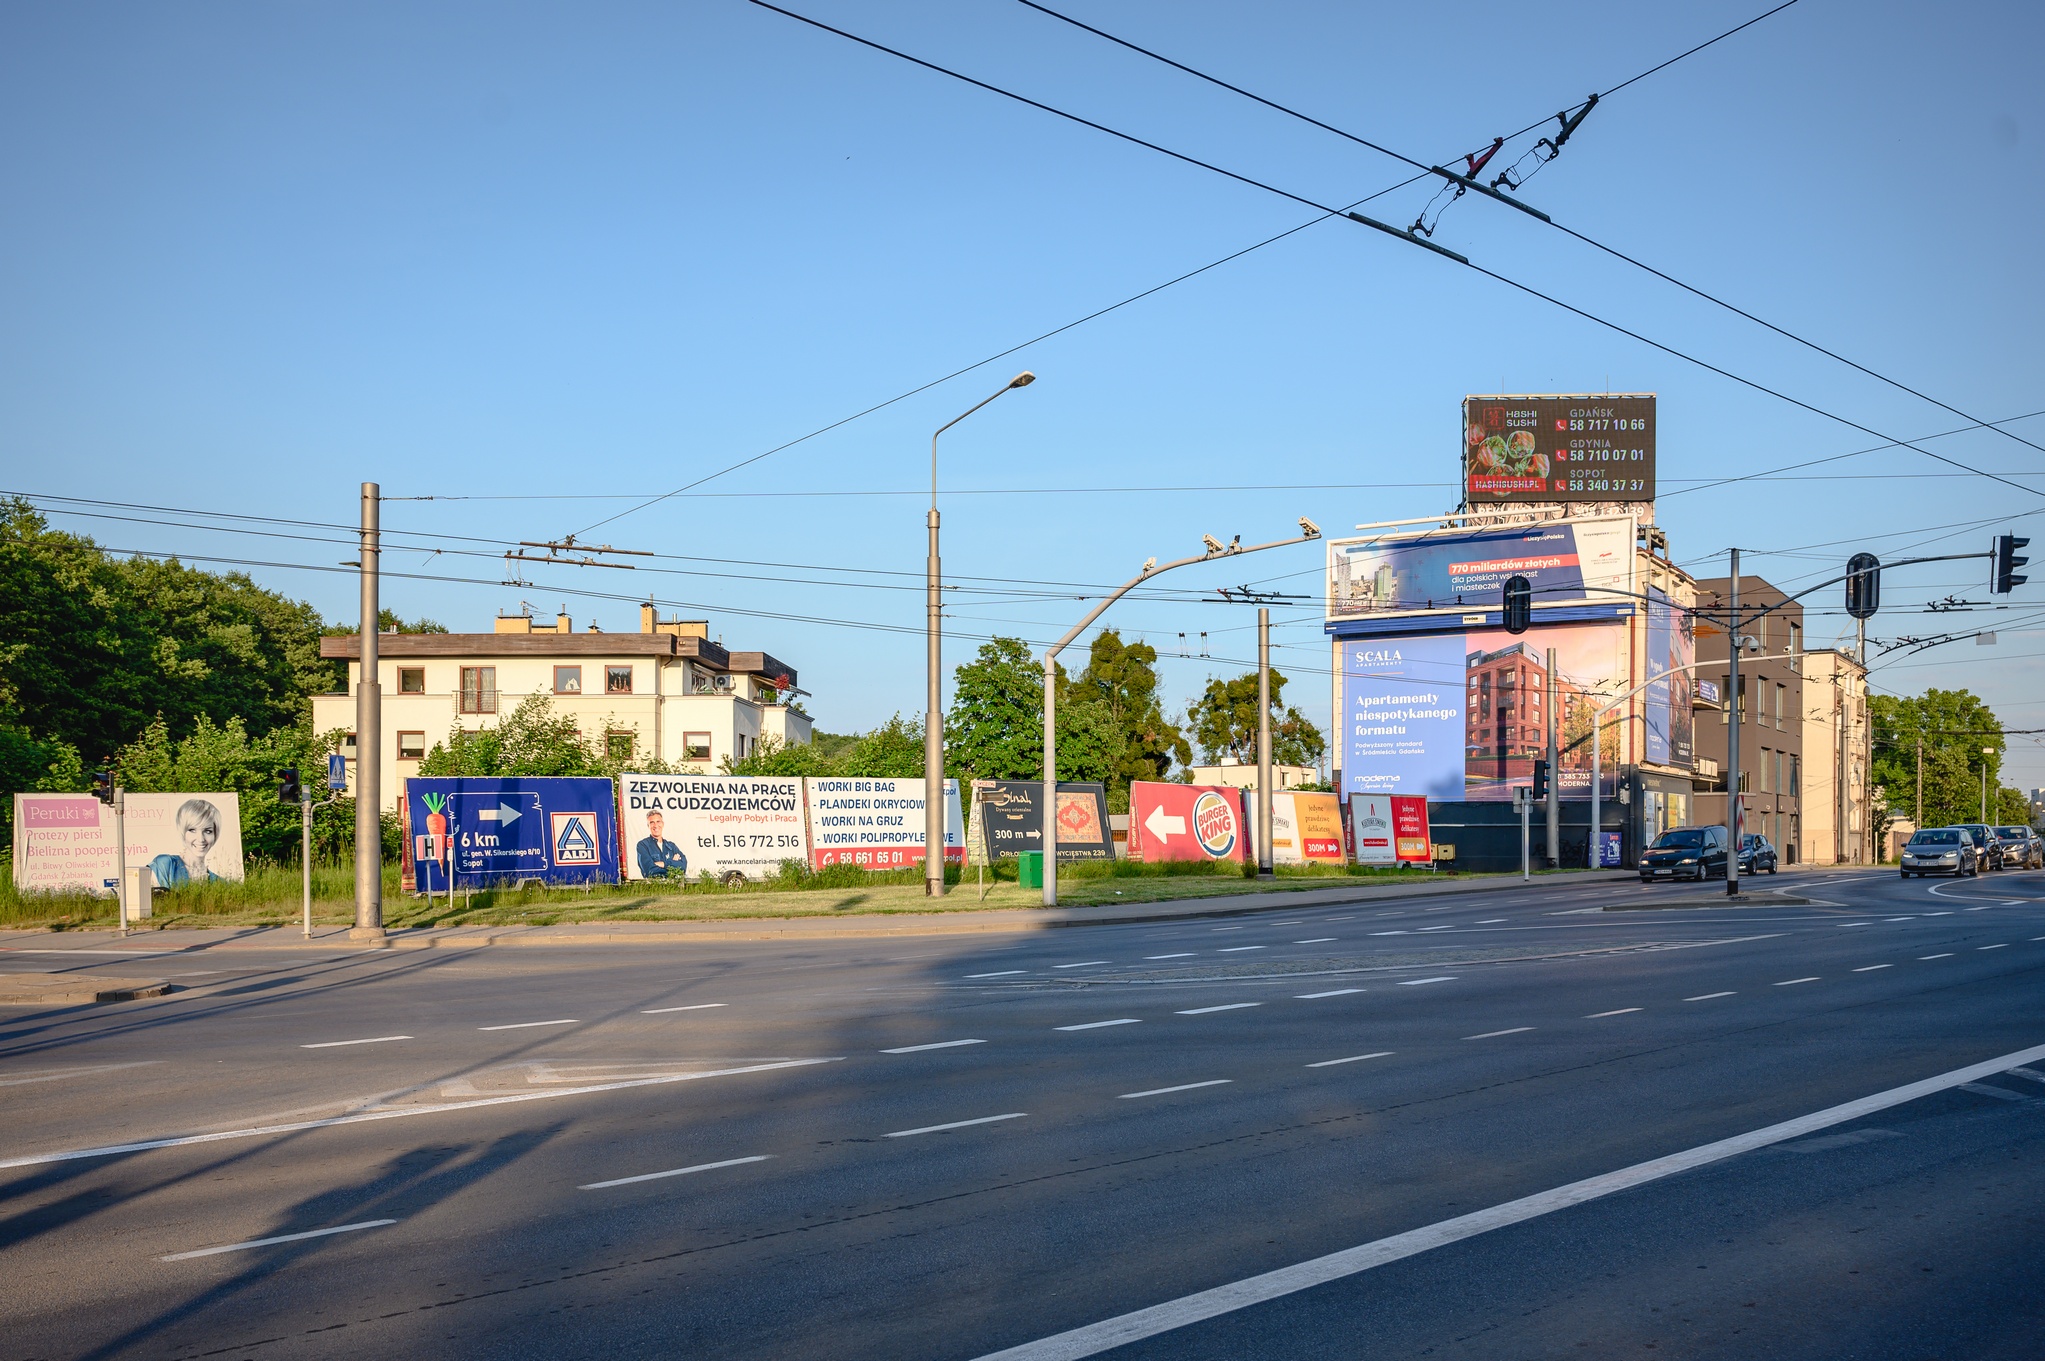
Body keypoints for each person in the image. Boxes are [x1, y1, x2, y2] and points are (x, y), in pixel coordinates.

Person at [150, 798, 224, 888]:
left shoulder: (219, 883)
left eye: (208, 831)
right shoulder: (165, 865)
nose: (201, 839)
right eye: (192, 830)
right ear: (183, 832)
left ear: (215, 834)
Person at [635, 810, 687, 879]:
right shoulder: (643, 845)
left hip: (674, 888)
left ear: (662, 824)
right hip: (654, 887)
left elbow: (683, 866)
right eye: (652, 822)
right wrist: (673, 866)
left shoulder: (671, 846)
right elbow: (649, 871)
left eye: (658, 821)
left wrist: (664, 864)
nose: (656, 825)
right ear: (648, 826)